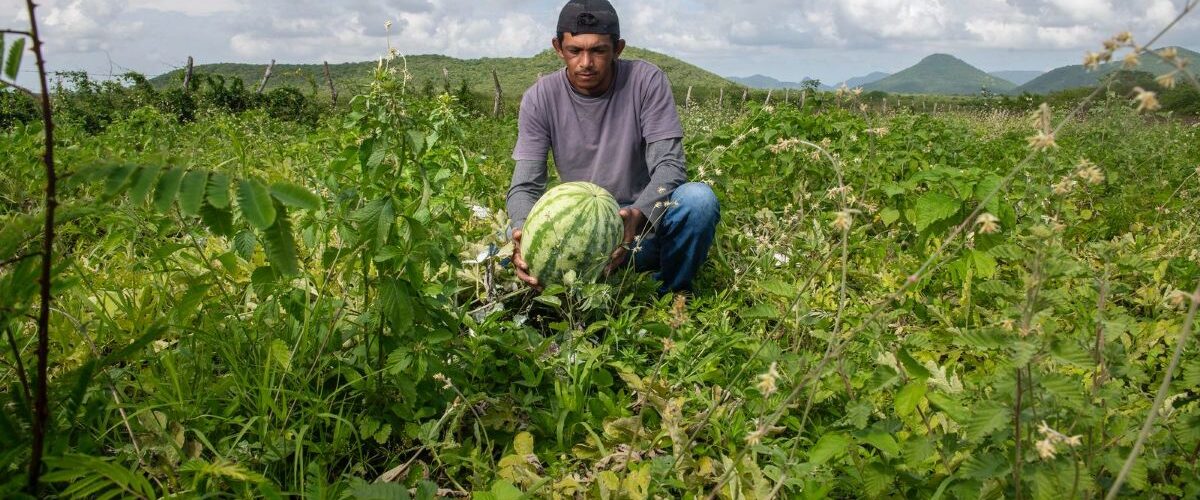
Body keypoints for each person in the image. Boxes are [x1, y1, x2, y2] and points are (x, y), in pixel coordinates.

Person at [507, 0, 720, 294]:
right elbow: (525, 185)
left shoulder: (646, 81)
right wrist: (522, 233)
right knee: (509, 235)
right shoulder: (539, 98)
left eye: (598, 50)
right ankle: (583, 286)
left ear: (617, 49)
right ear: (558, 47)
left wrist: (637, 215)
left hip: (639, 229)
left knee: (699, 201)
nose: (585, 63)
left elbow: (669, 166)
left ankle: (670, 293)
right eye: (575, 50)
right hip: (581, 237)